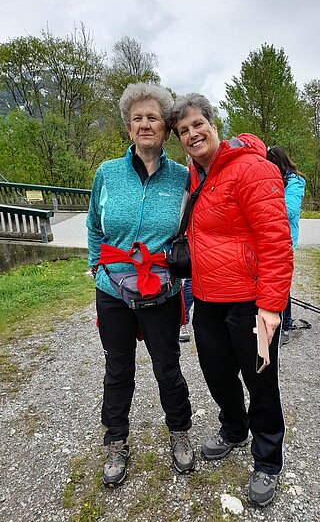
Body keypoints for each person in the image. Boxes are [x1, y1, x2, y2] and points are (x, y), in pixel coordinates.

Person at [171, 93, 293, 507]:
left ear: (213, 123)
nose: (192, 134)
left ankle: (267, 460)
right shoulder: (193, 174)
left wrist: (272, 305)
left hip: (249, 302)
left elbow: (276, 242)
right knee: (217, 374)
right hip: (206, 300)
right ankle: (235, 429)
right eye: (183, 130)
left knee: (261, 384)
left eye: (197, 124)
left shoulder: (252, 170)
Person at [86, 83, 195, 488]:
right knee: (118, 368)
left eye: (152, 117)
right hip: (112, 289)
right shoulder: (107, 173)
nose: (144, 124)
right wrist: (97, 265)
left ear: (166, 129)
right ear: (128, 128)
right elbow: (94, 225)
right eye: (137, 118)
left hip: (162, 290)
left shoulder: (183, 177)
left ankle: (180, 432)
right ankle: (116, 440)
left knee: (167, 366)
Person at [267, 146, 306, 345]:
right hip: (268, 237)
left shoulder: (295, 181)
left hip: (285, 239)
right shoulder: (273, 180)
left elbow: (289, 209)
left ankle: (286, 324)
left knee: (281, 283)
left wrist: (264, 204)